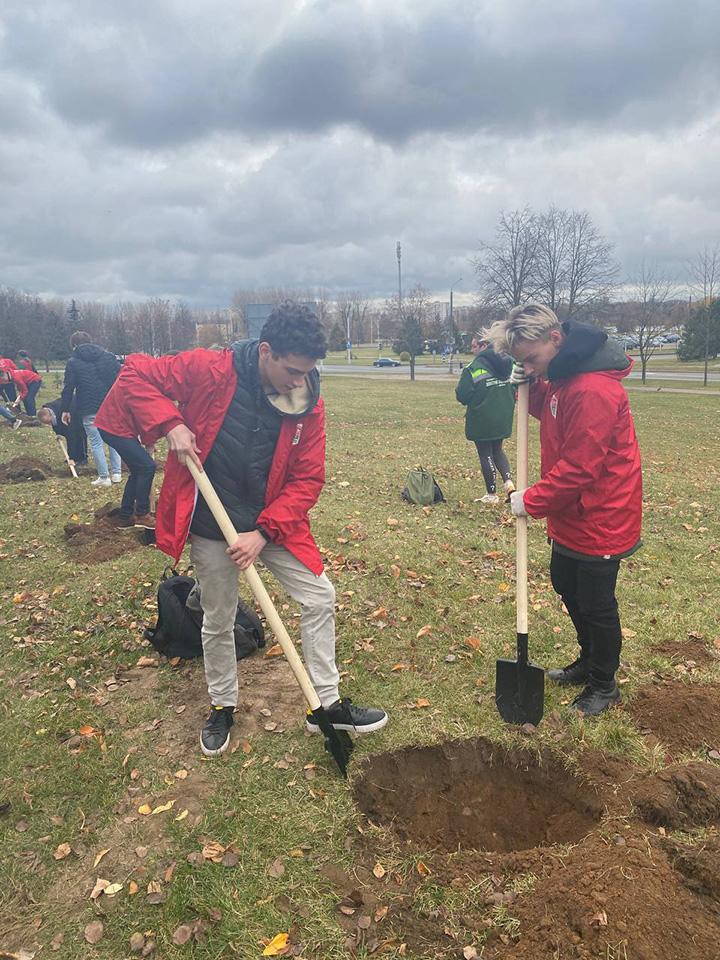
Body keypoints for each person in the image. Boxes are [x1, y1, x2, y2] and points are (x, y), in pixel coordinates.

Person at [95, 301, 388, 756]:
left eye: (307, 372)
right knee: (218, 616)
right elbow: (134, 374)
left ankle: (326, 705)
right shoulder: (210, 368)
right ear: (266, 351)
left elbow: (308, 479)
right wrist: (170, 423)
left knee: (319, 596)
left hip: (272, 524)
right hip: (213, 522)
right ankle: (223, 705)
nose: (299, 381)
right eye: (292, 370)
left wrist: (263, 534)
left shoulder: (307, 401)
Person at [488, 304, 642, 717]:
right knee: (566, 584)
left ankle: (604, 684)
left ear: (555, 338)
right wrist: (531, 386)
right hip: (571, 513)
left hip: (602, 513)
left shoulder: (592, 388)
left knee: (595, 601)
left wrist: (531, 500)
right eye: (522, 362)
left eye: (531, 359)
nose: (530, 366)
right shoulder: (562, 375)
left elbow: (581, 468)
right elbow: (554, 410)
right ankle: (588, 661)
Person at [455, 333, 515, 504]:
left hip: (482, 419)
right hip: (503, 416)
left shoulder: (473, 368)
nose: (472, 349)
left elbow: (462, 395)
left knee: (485, 453)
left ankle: (491, 494)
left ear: (483, 346)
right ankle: (509, 484)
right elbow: (517, 385)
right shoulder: (509, 362)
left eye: (474, 346)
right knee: (498, 450)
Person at [60, 332, 122, 488]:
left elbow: (68, 387)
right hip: (111, 404)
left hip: (89, 406)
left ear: (74, 345)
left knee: (96, 442)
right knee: (114, 438)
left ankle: (104, 477)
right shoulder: (109, 357)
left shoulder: (73, 362)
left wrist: (65, 409)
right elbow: (120, 378)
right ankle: (117, 473)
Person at [94, 400, 157, 529]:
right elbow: (144, 414)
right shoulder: (140, 384)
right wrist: (149, 439)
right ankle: (142, 514)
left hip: (115, 426)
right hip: (115, 427)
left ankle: (125, 516)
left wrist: (149, 440)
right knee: (147, 467)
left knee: (137, 470)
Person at [38, 398, 89, 465]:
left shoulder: (63, 416)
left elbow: (71, 437)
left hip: (79, 412)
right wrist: (58, 433)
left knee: (79, 435)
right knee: (73, 436)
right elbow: (55, 423)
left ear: (51, 415)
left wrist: (71, 458)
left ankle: (82, 458)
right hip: (71, 411)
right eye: (47, 423)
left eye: (49, 422)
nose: (49, 424)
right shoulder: (49, 409)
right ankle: (75, 457)